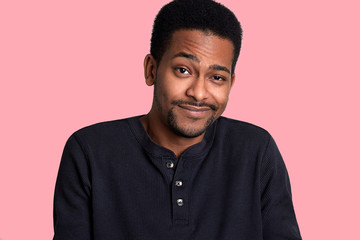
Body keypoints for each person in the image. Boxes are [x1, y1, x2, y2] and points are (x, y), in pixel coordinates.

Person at [53, 0, 302, 239]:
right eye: (183, 70)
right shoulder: (89, 151)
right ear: (152, 70)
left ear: (231, 83)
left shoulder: (256, 150)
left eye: (217, 77)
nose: (199, 93)